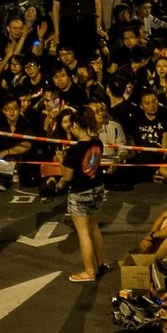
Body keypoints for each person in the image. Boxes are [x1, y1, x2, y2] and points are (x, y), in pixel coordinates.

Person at [59, 108, 108, 283]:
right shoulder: (97, 142)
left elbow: (67, 177)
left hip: (80, 192)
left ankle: (89, 271)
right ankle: (101, 264)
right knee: (94, 228)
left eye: (70, 126)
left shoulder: (74, 150)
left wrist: (61, 160)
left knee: (83, 233)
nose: (69, 130)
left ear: (76, 125)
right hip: (97, 188)